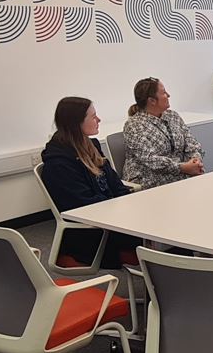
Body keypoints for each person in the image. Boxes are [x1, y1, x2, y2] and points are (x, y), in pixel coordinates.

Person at [39, 96, 142, 269]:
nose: (99, 119)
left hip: (113, 217)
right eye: (93, 116)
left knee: (163, 226)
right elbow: (83, 207)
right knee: (161, 241)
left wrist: (128, 205)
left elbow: (116, 185)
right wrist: (122, 211)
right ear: (76, 123)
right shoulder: (59, 164)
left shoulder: (91, 146)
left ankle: (169, 288)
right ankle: (166, 290)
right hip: (94, 233)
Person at [122, 77, 204, 189]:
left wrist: (196, 161)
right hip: (150, 181)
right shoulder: (134, 125)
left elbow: (192, 144)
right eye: (164, 92)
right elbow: (151, 160)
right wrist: (183, 168)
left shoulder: (173, 116)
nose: (168, 95)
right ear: (152, 101)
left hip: (182, 175)